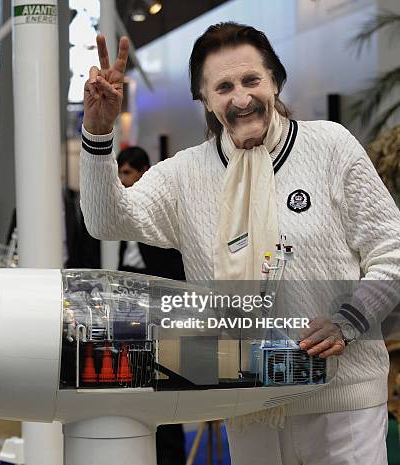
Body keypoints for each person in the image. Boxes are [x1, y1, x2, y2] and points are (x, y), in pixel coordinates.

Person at [79, 22, 400, 465]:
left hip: (341, 402)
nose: (241, 97)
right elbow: (104, 218)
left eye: (252, 80)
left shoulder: (331, 147)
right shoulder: (184, 175)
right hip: (245, 400)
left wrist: (348, 319)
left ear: (274, 81)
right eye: (224, 86)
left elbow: (393, 253)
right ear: (206, 100)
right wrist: (98, 134)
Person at [116, 146, 186, 465]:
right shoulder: (119, 209)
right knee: (133, 386)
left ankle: (170, 456)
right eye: (119, 174)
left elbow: (174, 265)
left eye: (127, 173)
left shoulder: (160, 208)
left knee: (164, 386)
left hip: (160, 304)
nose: (123, 180)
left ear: (143, 171)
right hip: (127, 302)